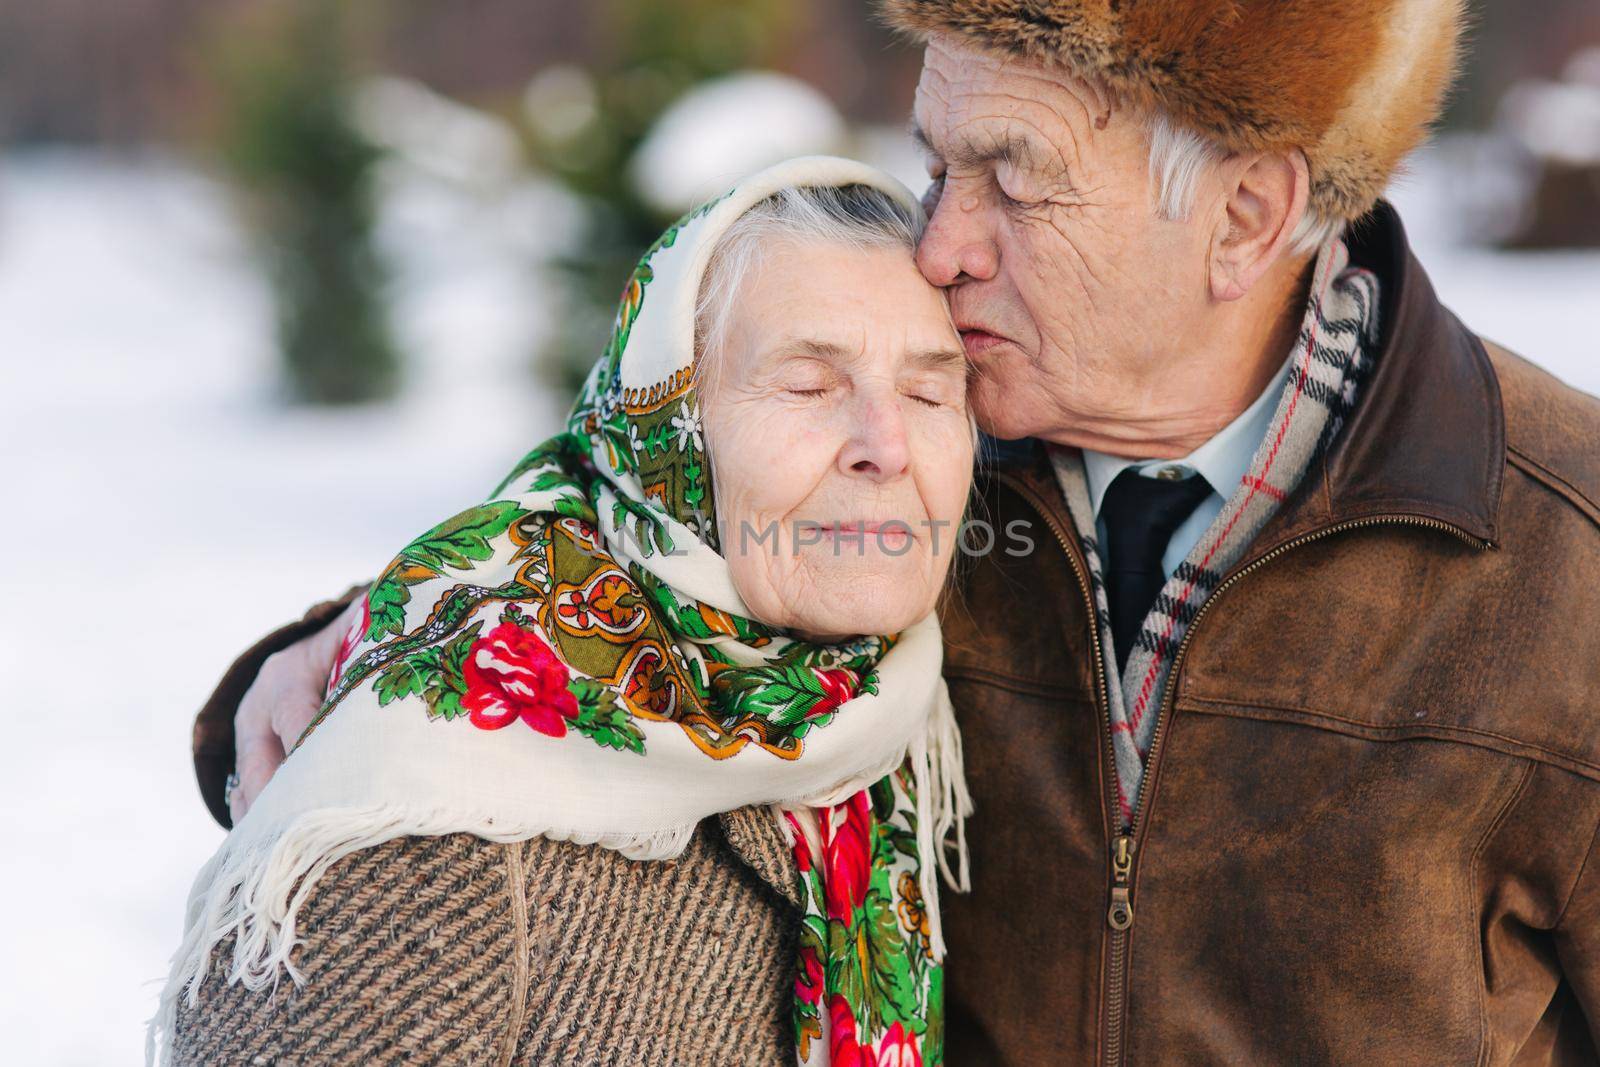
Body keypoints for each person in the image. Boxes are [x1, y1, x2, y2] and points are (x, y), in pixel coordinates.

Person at [192, 1, 1600, 1062]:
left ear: (1245, 214)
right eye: (939, 163)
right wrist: (353, 646)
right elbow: (623, 542)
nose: (939, 247)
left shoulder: (1563, 556)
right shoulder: (911, 455)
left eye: (1013, 174)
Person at [155, 158, 976, 1066]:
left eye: (932, 392)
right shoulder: (431, 817)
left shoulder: (918, 686)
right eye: (807, 385)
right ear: (668, 439)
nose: (888, 446)